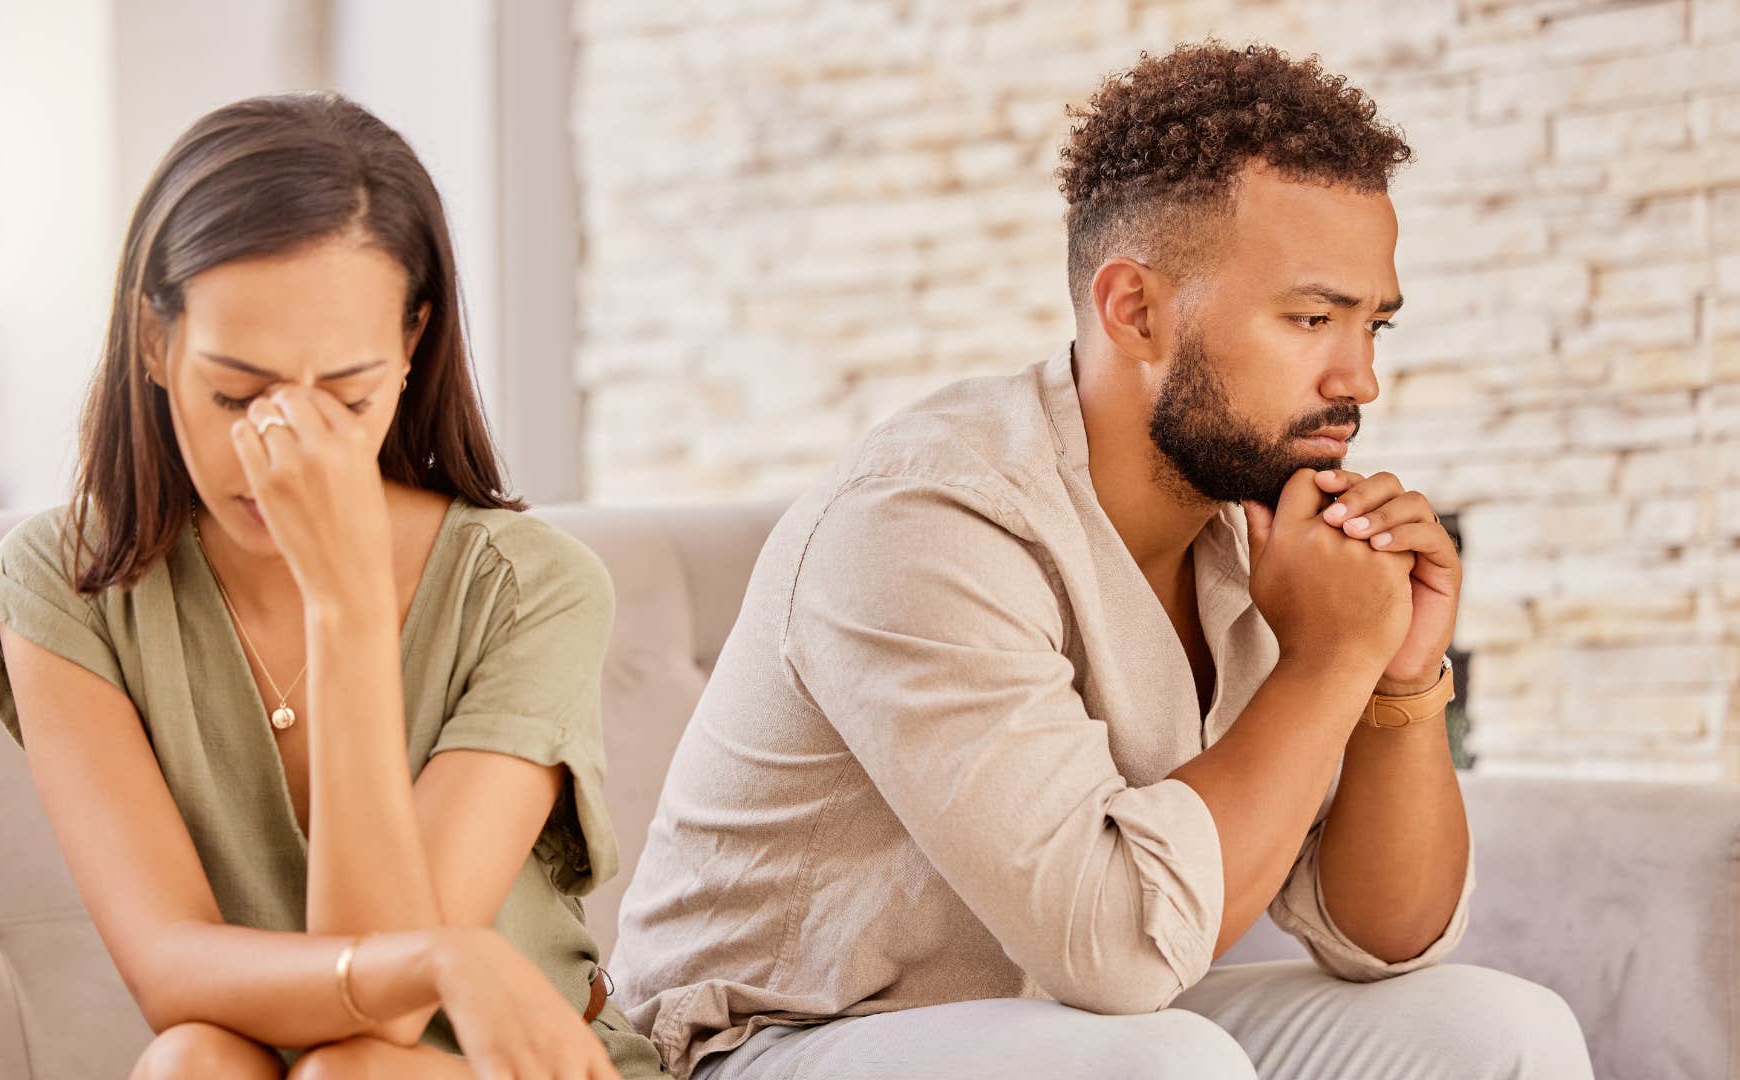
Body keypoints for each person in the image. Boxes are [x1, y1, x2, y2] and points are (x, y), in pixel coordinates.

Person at [611, 44, 1593, 1080]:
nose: (1360, 379)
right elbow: (1118, 951)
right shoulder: (924, 516)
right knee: (1162, 1065)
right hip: (771, 1042)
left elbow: (1384, 938)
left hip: (1071, 1028)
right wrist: (1326, 662)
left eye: (1373, 325)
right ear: (1135, 309)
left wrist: (1399, 679)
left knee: (1499, 1031)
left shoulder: (1261, 531)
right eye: (1312, 319)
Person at [0, 92, 665, 1080]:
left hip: (507, 1067)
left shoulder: (530, 589)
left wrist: (349, 606)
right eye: (235, 393)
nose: (279, 447)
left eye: (347, 394)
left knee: (352, 1074)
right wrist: (437, 957)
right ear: (154, 342)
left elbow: (391, 1030)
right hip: (258, 1064)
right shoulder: (64, 582)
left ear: (411, 347)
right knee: (190, 1061)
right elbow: (170, 969)